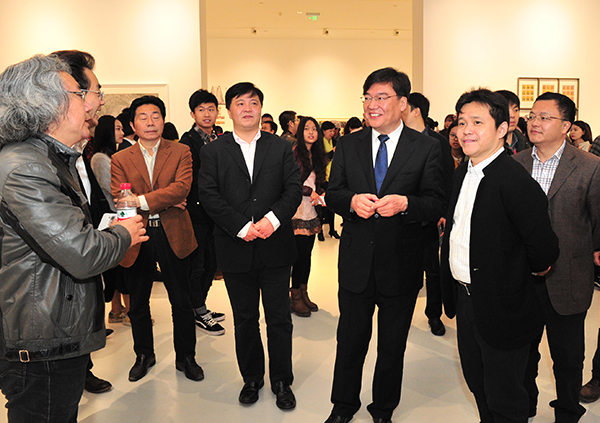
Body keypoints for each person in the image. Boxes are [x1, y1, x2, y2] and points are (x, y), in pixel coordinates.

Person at [0, 54, 147, 423]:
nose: (93, 104)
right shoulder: (26, 166)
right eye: (81, 94)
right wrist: (124, 233)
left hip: (51, 324)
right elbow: (81, 253)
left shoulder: (47, 158)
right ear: (46, 102)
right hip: (41, 337)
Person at [324, 67, 445, 423]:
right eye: (367, 97)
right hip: (356, 263)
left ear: (403, 103)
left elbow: (437, 202)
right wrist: (350, 202)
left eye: (381, 97)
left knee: (392, 346)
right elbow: (333, 193)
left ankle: (383, 409)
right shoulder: (349, 144)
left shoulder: (426, 147)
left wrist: (406, 204)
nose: (372, 105)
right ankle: (343, 406)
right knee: (350, 342)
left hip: (401, 263)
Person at [441, 89, 559, 423]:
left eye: (477, 122)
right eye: (462, 122)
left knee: (505, 396)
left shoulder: (515, 180)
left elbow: (544, 251)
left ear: (502, 129)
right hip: (466, 300)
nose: (466, 130)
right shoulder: (463, 172)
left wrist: (512, 276)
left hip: (503, 307)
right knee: (478, 383)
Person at [198, 82, 301, 410]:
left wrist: (272, 220)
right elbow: (208, 195)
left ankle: (282, 380)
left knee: (279, 318)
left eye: (253, 103)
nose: (247, 108)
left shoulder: (280, 147)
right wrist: (242, 227)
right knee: (244, 318)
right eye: (240, 103)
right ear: (229, 111)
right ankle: (252, 378)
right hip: (235, 246)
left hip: (275, 245)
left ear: (261, 108)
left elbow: (293, 189)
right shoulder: (214, 151)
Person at [514, 92, 600, 423]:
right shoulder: (515, 164)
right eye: (532, 116)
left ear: (566, 126)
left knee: (568, 356)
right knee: (522, 353)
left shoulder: (590, 166)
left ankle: (567, 411)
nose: (534, 122)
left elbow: (597, 222)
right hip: (521, 278)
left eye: (544, 117)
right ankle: (524, 408)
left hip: (568, 277)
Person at [111, 95, 203, 382]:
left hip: (173, 232)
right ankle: (144, 355)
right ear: (133, 124)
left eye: (155, 116)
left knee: (181, 300)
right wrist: (164, 200)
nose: (150, 122)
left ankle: (186, 357)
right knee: (138, 301)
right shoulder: (119, 158)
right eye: (143, 117)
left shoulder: (181, 151)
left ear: (163, 121)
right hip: (137, 234)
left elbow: (181, 189)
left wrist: (140, 199)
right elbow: (120, 198)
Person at [52, 49, 116, 395]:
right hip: (47, 319)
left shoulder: (73, 154)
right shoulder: (33, 166)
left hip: (71, 296)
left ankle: (83, 368)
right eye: (95, 92)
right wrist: (121, 234)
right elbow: (73, 248)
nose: (99, 102)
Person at [401, 91, 454, 337]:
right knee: (404, 270)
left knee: (433, 271)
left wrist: (443, 211)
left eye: (404, 107)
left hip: (429, 218)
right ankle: (401, 313)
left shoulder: (438, 142)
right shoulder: (398, 139)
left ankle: (434, 314)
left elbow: (446, 180)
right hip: (402, 217)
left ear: (416, 111)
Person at [179, 89, 225, 336]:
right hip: (196, 212)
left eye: (211, 109)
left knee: (212, 263)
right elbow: (189, 179)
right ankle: (198, 310)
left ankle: (200, 307)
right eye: (201, 110)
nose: (206, 114)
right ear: (192, 114)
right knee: (198, 265)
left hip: (216, 212)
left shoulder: (219, 137)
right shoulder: (188, 142)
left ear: (217, 112)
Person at [90, 115, 131, 325]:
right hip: (114, 216)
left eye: (122, 128)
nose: (121, 133)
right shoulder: (100, 159)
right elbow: (112, 189)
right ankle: (126, 310)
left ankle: (117, 310)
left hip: (118, 214)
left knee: (118, 266)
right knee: (122, 266)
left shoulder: (111, 155)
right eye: (117, 128)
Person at [290, 117, 327, 317]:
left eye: (314, 129)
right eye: (307, 129)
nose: (311, 132)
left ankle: (303, 292)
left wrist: (321, 193)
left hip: (311, 209)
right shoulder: (295, 153)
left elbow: (316, 181)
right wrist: (309, 192)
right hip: (297, 209)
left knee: (308, 256)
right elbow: (292, 182)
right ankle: (294, 296)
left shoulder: (317, 155)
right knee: (299, 256)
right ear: (300, 132)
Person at [320, 121, 339, 241]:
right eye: (330, 131)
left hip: (332, 177)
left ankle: (332, 229)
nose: (332, 133)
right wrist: (333, 152)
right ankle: (320, 231)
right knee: (322, 206)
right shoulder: (320, 143)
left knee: (332, 205)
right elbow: (323, 159)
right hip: (323, 178)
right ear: (323, 131)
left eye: (333, 131)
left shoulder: (334, 141)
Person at [495, 90, 531, 154]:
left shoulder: (524, 142)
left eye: (516, 110)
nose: (512, 115)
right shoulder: (488, 146)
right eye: (507, 111)